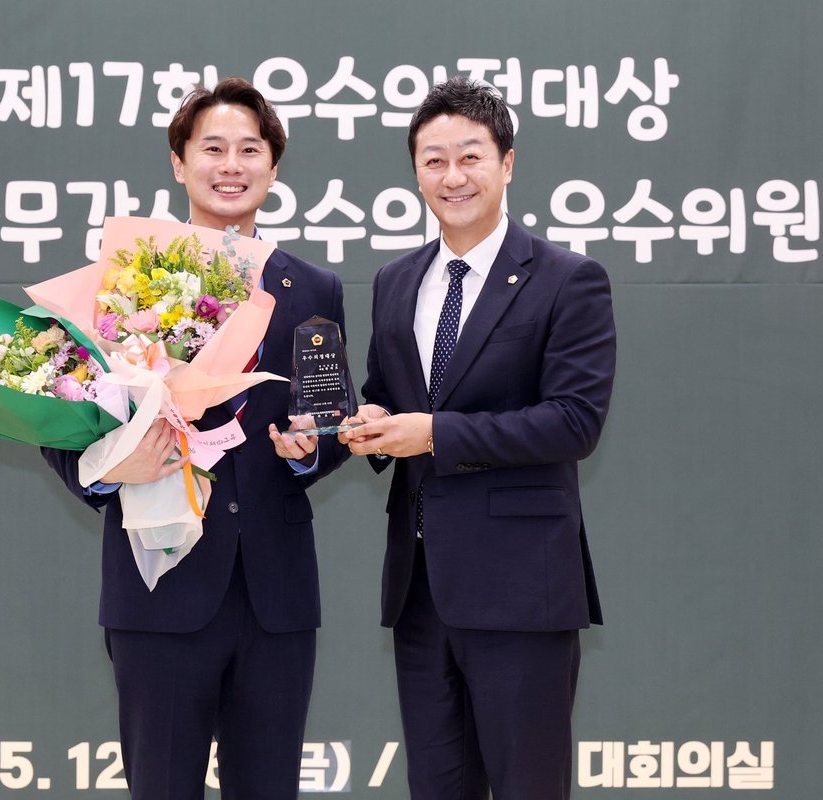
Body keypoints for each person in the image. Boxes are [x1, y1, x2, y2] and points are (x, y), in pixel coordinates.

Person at [42, 77, 350, 800]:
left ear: (273, 166)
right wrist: (111, 468)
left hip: (275, 595)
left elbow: (332, 412)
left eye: (250, 149)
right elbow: (65, 413)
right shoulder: (127, 277)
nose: (231, 165)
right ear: (179, 163)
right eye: (213, 149)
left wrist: (314, 447)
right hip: (161, 582)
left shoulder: (313, 288)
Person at [340, 77, 616, 800]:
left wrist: (434, 434)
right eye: (434, 161)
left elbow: (574, 420)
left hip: (522, 589)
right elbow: (387, 395)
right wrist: (363, 427)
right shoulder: (396, 281)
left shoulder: (568, 279)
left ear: (507, 163)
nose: (452, 177)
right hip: (420, 591)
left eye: (470, 157)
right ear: (415, 172)